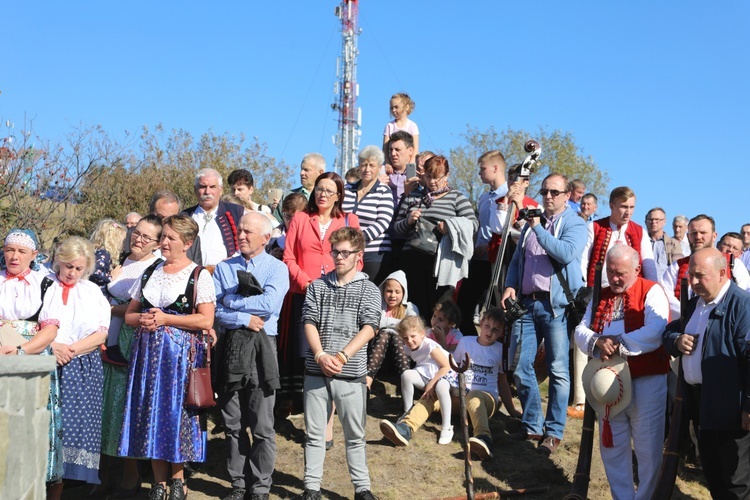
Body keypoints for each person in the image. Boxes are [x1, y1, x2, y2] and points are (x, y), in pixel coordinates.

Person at [119, 214, 216, 500]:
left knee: (175, 414)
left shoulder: (199, 275)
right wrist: (146, 320)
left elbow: (205, 320)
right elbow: (128, 316)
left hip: (179, 358)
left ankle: (178, 479)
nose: (163, 242)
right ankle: (158, 483)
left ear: (187, 243)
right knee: (150, 411)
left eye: (170, 238)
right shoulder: (150, 272)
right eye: (163, 237)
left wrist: (166, 320)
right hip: (147, 356)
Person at [574, 245, 670, 499]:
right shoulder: (600, 295)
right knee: (613, 448)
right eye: (610, 271)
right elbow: (580, 330)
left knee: (647, 448)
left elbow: (656, 330)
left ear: (637, 269)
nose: (615, 278)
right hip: (608, 384)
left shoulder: (651, 290)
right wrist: (596, 341)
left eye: (621, 273)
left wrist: (617, 343)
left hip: (646, 381)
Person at [501, 173, 587, 455]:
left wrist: (538, 228)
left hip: (556, 308)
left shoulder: (575, 222)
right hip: (526, 303)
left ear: (566, 195)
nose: (548, 196)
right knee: (520, 365)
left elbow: (565, 253)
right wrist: (510, 285)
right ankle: (532, 424)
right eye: (545, 191)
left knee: (558, 371)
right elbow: (516, 260)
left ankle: (553, 431)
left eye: (554, 192)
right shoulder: (530, 224)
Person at [295, 227, 380, 500]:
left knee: (355, 435)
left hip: (351, 374)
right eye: (336, 252)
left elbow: (370, 328)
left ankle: (362, 488)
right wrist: (319, 354)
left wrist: (343, 356)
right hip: (316, 372)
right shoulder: (317, 286)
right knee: (315, 435)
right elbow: (309, 321)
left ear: (358, 255)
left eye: (345, 252)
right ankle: (311, 488)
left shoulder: (369, 289)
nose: (339, 257)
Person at [214, 212, 290, 500]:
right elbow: (217, 312)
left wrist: (233, 301)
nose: (241, 235)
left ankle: (260, 487)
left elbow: (270, 304)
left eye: (248, 232)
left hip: (262, 346)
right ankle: (237, 484)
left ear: (266, 238)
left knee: (262, 423)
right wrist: (243, 319)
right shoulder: (223, 268)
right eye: (240, 230)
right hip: (232, 344)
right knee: (232, 421)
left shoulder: (277, 268)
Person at [663, 247, 750, 499]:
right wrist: (677, 340)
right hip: (702, 405)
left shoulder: (742, 306)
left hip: (733, 410)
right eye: (691, 275)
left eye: (700, 276)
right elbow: (669, 331)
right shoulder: (694, 305)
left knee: (736, 483)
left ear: (722, 273)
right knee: (713, 477)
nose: (694, 281)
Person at [380, 308, 521, 460]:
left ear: (501, 333)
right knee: (431, 396)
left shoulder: (501, 350)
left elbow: (502, 381)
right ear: (480, 324)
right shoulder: (466, 342)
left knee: (475, 397)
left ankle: (483, 439)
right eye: (487, 326)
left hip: (485, 401)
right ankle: (405, 428)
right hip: (459, 397)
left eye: (496, 330)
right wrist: (435, 384)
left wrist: (511, 410)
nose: (490, 332)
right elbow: (453, 367)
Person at [280, 172, 360, 417]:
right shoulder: (301, 219)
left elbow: (359, 259)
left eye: (328, 190)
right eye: (319, 189)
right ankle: (299, 402)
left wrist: (339, 282)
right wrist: (307, 283)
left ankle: (330, 403)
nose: (322, 194)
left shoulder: (349, 220)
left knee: (331, 348)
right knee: (305, 351)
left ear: (338, 196)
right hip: (304, 293)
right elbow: (289, 257)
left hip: (338, 295)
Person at [98, 215, 163, 497]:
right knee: (109, 410)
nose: (138, 239)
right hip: (109, 343)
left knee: (127, 410)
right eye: (136, 233)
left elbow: (143, 308)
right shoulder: (125, 261)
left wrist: (107, 308)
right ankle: (105, 477)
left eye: (146, 237)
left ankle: (131, 477)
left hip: (132, 344)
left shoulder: (154, 268)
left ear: (158, 243)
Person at [45, 237, 111, 499]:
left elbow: (100, 334)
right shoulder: (47, 285)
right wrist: (54, 346)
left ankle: (66, 488)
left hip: (81, 364)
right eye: (68, 266)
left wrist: (69, 350)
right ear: (59, 262)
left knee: (76, 427)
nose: (71, 273)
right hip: (50, 359)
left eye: (78, 268)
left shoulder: (92, 292)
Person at [0, 229, 63, 486]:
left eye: (21, 251)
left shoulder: (45, 282)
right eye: (9, 250)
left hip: (31, 355)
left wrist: (20, 351)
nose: (14, 256)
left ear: (34, 255)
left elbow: (50, 330)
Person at [392, 155, 478, 319]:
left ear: (447, 175)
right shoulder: (412, 196)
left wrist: (450, 227)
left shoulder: (457, 197)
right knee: (415, 310)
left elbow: (473, 224)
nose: (432, 182)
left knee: (438, 312)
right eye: (429, 176)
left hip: (441, 264)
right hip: (412, 261)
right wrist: (409, 221)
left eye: (437, 177)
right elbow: (396, 230)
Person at [455, 150, 508, 336]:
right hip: (479, 260)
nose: (479, 173)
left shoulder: (509, 195)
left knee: (497, 311)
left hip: (498, 261)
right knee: (462, 308)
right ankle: (473, 346)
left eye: (482, 169)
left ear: (495, 168)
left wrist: (490, 246)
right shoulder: (485, 197)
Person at [662, 214, 750, 319]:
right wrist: (692, 313)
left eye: (703, 232)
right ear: (688, 236)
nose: (698, 237)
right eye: (694, 233)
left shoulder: (734, 264)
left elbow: (744, 295)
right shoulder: (677, 266)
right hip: (687, 324)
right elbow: (665, 296)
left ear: (714, 236)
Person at [388, 316, 455, 444]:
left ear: (422, 334)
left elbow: (446, 366)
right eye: (405, 338)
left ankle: (447, 426)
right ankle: (407, 412)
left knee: (440, 387)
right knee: (406, 375)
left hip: (445, 375)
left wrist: (431, 384)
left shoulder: (430, 346)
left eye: (413, 336)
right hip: (426, 372)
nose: (410, 341)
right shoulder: (408, 347)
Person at [582, 186, 658, 288]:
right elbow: (583, 260)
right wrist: (582, 287)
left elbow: (649, 266)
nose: (628, 212)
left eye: (632, 207)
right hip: (599, 290)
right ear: (612, 206)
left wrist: (653, 290)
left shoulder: (640, 232)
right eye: (624, 207)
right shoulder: (594, 227)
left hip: (631, 291)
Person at [342, 145, 395, 284]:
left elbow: (383, 222)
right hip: (346, 251)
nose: (367, 169)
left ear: (379, 167)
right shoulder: (346, 189)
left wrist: (359, 239)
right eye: (364, 165)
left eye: (372, 165)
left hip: (374, 252)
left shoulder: (384, 191)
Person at [365, 270, 419, 391]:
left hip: (401, 351)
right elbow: (374, 322)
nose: (393, 295)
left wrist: (386, 324)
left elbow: (412, 326)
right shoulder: (378, 306)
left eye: (397, 292)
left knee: (396, 336)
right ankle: (367, 381)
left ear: (403, 292)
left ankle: (406, 380)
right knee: (384, 334)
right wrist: (398, 325)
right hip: (377, 350)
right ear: (383, 291)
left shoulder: (410, 307)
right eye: (389, 291)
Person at [182, 168, 245, 267]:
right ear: (195, 189)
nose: (207, 191)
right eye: (203, 187)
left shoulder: (237, 212)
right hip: (192, 275)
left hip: (228, 274)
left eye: (212, 187)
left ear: (221, 190)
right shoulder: (185, 216)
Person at [272, 153, 326, 224]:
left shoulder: (326, 198)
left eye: (306, 170)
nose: (301, 173)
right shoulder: (288, 195)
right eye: (301, 169)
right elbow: (277, 220)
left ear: (320, 172)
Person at [645, 207, 683, 285]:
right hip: (645, 285)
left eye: (657, 219)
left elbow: (678, 268)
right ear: (646, 222)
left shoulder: (673, 244)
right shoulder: (641, 242)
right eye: (650, 219)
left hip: (666, 287)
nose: (653, 222)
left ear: (664, 222)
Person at [382, 92, 419, 167]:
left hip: (408, 164)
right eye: (391, 108)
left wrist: (411, 164)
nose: (393, 110)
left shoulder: (412, 126)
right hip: (392, 164)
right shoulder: (389, 126)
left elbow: (415, 147)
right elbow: (385, 147)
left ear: (406, 107)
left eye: (396, 107)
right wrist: (387, 162)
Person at [89, 218, 127, 289]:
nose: (123, 244)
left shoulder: (97, 251)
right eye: (122, 241)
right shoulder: (104, 254)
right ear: (114, 240)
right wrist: (110, 277)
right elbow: (96, 272)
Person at [385, 130, 416, 205]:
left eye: (397, 150)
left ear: (410, 150)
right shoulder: (381, 173)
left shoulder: (419, 175)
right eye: (390, 150)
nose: (393, 154)